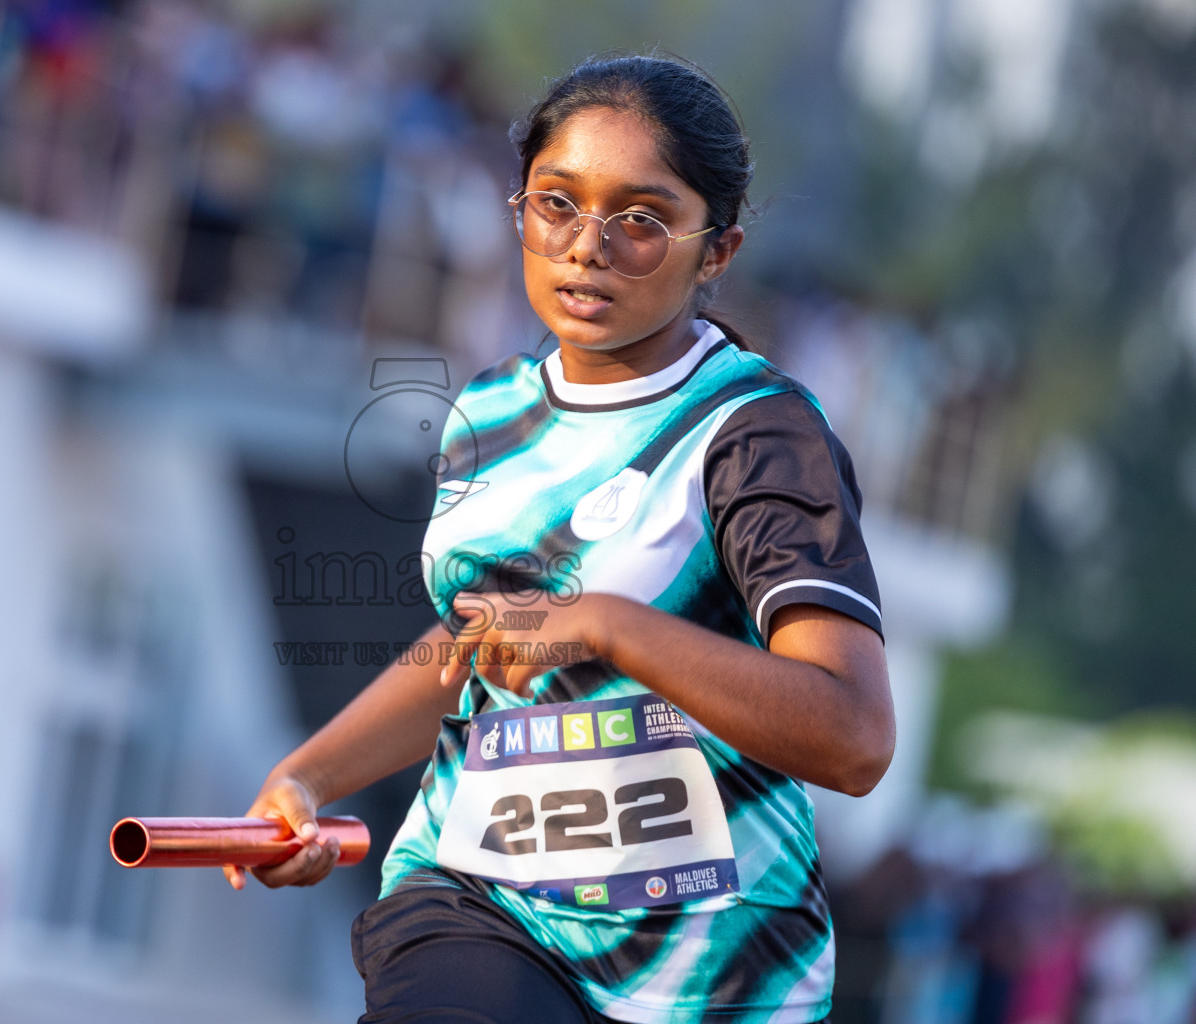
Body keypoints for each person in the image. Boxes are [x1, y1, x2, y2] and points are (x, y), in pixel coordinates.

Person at [227, 54, 894, 1024]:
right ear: (518, 215)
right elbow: (476, 648)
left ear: (717, 250)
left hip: (716, 967)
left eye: (640, 219)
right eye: (556, 204)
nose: (587, 245)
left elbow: (855, 738)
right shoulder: (488, 411)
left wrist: (610, 625)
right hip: (479, 903)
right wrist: (305, 776)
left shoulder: (756, 434)